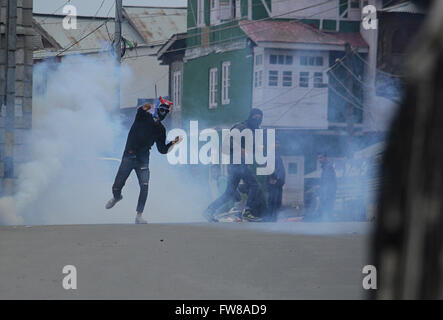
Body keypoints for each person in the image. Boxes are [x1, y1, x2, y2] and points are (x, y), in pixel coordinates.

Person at [105, 97, 180, 224]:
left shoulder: (161, 129)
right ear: (157, 109)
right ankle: (117, 197)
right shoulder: (143, 117)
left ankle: (139, 215)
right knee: (117, 185)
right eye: (162, 109)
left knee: (144, 186)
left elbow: (162, 149)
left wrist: (172, 143)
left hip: (143, 160)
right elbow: (140, 110)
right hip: (129, 156)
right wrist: (144, 107)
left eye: (166, 112)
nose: (163, 113)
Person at [203, 108, 266, 222]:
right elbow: (227, 145)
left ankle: (209, 211)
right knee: (255, 185)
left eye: (259, 118)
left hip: (239, 165)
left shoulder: (253, 131)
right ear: (250, 116)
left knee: (229, 193)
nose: (257, 120)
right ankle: (248, 211)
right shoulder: (240, 127)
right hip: (236, 163)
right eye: (255, 117)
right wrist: (240, 150)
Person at [265, 140, 285, 222]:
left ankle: (274, 219)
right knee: (272, 201)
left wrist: (281, 180)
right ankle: (271, 219)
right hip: (273, 182)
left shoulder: (278, 155)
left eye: (278, 143)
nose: (277, 145)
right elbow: (268, 167)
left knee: (278, 202)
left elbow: (280, 169)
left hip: (279, 183)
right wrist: (274, 178)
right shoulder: (270, 155)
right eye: (275, 143)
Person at [316, 152, 337, 221]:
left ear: (325, 158)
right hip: (327, 191)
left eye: (321, 158)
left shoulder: (328, 167)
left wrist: (324, 193)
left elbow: (328, 181)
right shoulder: (325, 167)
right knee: (326, 209)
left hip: (328, 192)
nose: (319, 160)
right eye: (318, 158)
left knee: (327, 208)